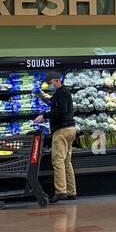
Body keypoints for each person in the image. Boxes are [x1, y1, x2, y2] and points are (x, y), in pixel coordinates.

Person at [45, 72, 77, 202]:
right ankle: (71, 191)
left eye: (50, 83)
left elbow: (61, 110)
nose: (49, 86)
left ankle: (60, 191)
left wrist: (45, 115)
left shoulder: (60, 93)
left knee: (58, 161)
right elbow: (59, 107)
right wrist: (45, 99)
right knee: (67, 161)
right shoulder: (64, 92)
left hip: (62, 130)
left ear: (57, 81)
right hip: (71, 129)